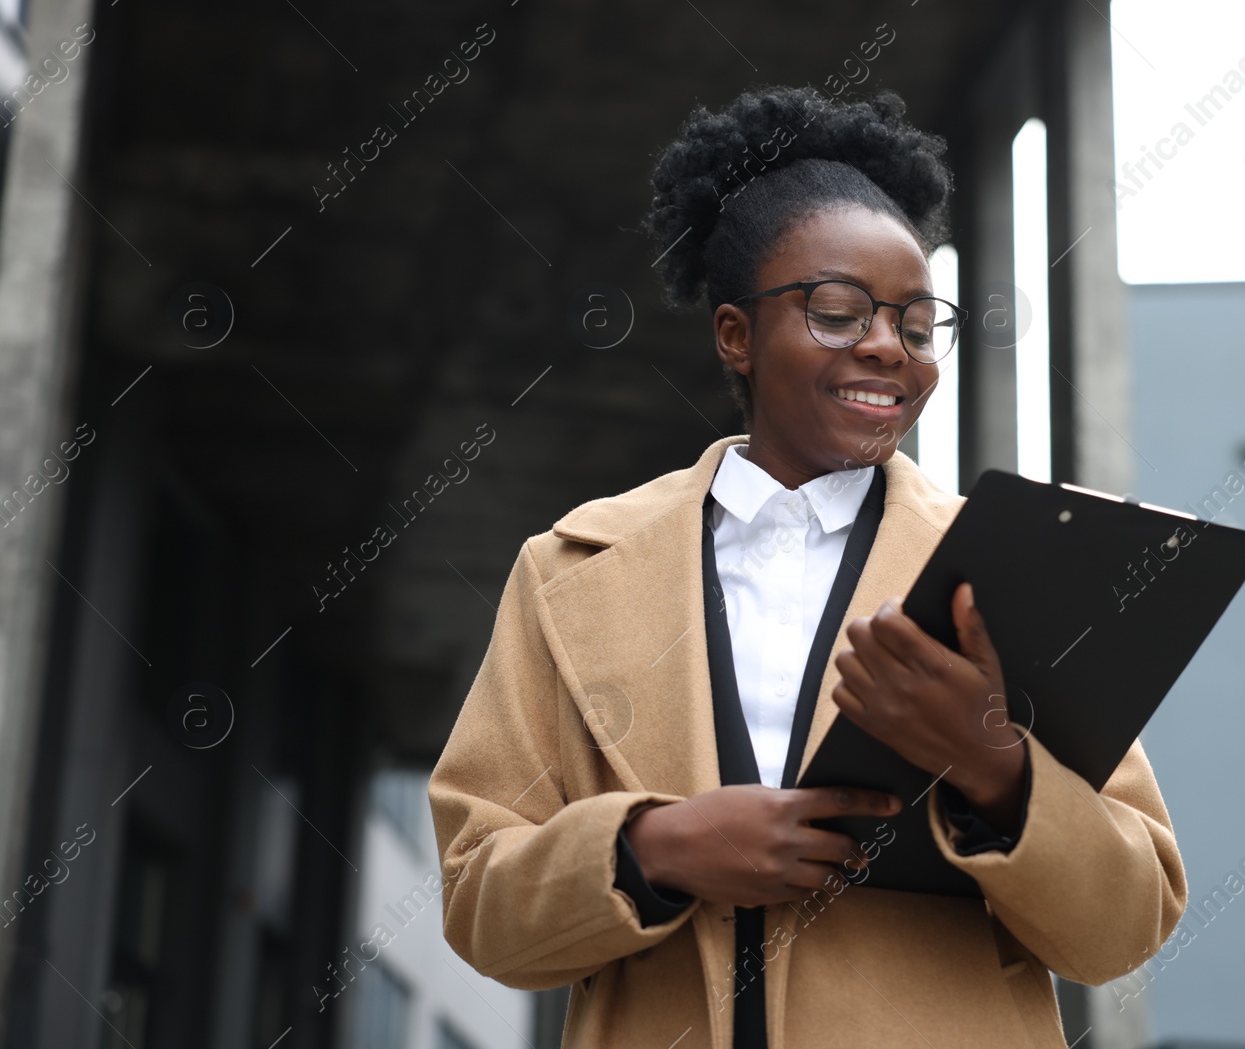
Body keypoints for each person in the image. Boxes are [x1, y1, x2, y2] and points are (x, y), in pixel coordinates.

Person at [428, 85, 1186, 1049]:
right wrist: (658, 847)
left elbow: (1124, 926)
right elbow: (480, 904)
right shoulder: (570, 569)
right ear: (736, 336)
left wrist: (995, 766)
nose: (888, 348)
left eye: (917, 325)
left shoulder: (1014, 567)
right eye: (838, 312)